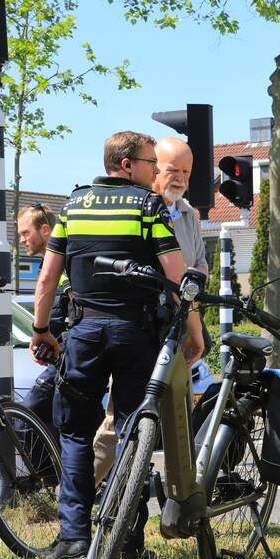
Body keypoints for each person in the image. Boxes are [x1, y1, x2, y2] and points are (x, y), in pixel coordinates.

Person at [30, 130, 204, 559]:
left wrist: (40, 329)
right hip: (135, 335)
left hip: (84, 334)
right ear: (127, 165)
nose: (154, 171)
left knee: (74, 434)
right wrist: (193, 326)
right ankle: (127, 538)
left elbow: (48, 278)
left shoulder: (73, 206)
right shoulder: (147, 207)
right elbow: (178, 276)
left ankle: (73, 539)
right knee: (132, 431)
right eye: (150, 162)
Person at [91, 135, 210, 484]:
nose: (181, 179)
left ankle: (181, 503)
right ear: (154, 169)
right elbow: (172, 272)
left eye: (187, 172)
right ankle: (80, 495)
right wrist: (183, 275)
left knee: (179, 419)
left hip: (179, 324)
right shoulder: (137, 207)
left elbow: (200, 268)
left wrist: (192, 323)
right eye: (173, 169)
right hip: (142, 326)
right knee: (119, 421)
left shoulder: (190, 216)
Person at [15, 203, 73, 429]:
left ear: (46, 230)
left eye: (25, 233)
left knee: (24, 423)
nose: (22, 240)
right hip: (60, 362)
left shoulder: (63, 263)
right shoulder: (47, 264)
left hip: (69, 359)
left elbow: (78, 302)